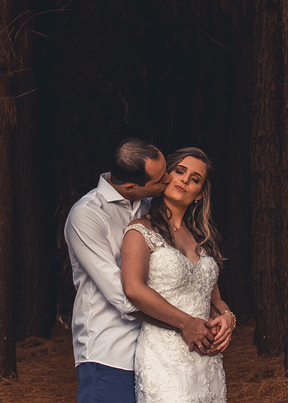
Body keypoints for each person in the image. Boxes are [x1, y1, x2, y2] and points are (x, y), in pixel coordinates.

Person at [65, 139, 216, 403]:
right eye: (161, 180)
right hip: (110, 349)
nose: (170, 180)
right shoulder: (86, 216)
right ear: (131, 187)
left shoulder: (149, 207)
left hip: (154, 349)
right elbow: (123, 295)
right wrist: (184, 324)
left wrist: (220, 317)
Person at [121, 147, 234, 403]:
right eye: (180, 171)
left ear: (199, 194)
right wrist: (186, 322)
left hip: (207, 360)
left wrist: (228, 318)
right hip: (164, 355)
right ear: (165, 177)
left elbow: (215, 300)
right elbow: (133, 289)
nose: (185, 180)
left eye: (195, 179)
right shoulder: (140, 231)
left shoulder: (203, 240)